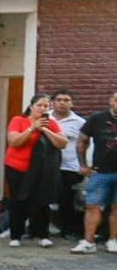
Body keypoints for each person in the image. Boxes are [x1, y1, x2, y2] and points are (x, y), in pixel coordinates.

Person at [3, 93, 66, 247]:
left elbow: (62, 143)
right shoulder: (19, 120)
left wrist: (45, 130)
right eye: (39, 105)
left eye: (46, 106)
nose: (43, 108)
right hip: (17, 167)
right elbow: (13, 141)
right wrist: (32, 128)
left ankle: (42, 235)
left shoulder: (51, 123)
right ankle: (15, 235)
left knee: (42, 201)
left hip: (41, 170)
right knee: (17, 200)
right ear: (31, 106)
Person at [72, 90, 117, 253]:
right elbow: (81, 142)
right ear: (111, 101)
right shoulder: (97, 118)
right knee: (92, 206)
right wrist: (83, 164)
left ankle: (113, 240)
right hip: (100, 171)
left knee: (116, 207)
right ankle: (88, 241)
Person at [49, 90, 85, 237]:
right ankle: (41, 228)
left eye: (66, 100)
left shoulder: (80, 122)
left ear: (71, 103)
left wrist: (84, 165)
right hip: (47, 166)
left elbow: (85, 144)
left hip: (69, 167)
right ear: (53, 102)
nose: (62, 103)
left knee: (67, 200)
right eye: (59, 100)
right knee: (44, 198)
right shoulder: (45, 118)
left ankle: (67, 230)